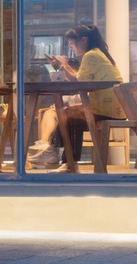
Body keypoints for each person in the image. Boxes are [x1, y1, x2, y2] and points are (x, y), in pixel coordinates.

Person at [51, 24, 124, 173]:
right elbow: (79, 79)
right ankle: (66, 162)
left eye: (71, 43)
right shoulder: (96, 53)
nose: (70, 47)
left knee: (68, 115)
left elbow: (79, 82)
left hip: (107, 107)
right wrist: (63, 66)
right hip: (110, 106)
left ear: (83, 40)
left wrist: (64, 65)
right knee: (70, 116)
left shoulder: (91, 55)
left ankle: (55, 153)